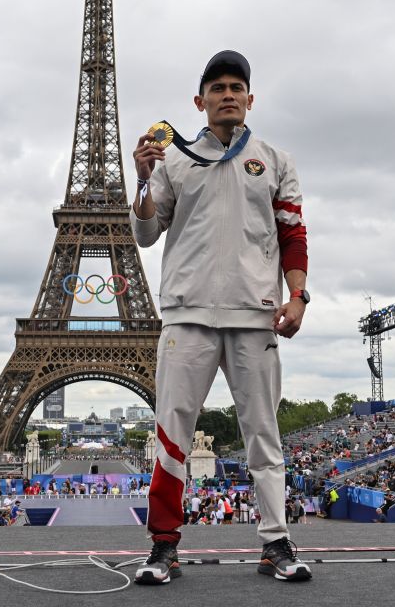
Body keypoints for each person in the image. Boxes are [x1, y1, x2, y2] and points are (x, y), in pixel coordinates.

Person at [130, 51, 311, 585]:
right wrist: (142, 179)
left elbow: (293, 235)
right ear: (199, 101)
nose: (228, 94)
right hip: (186, 312)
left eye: (237, 87)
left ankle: (275, 541)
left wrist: (298, 297)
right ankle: (164, 545)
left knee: (264, 434)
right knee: (171, 435)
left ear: (250, 98)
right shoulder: (174, 160)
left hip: (254, 313)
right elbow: (144, 233)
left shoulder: (276, 160)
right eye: (218, 88)